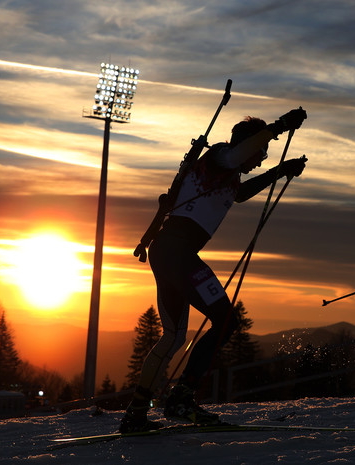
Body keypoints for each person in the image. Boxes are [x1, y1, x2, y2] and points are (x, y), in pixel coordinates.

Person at [120, 108, 308, 433]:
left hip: (167, 252)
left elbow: (242, 194)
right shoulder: (220, 157)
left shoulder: (224, 172)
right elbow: (238, 156)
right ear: (248, 146)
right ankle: (181, 398)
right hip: (178, 253)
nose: (259, 161)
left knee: (174, 337)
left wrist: (281, 170)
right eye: (260, 153)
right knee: (225, 321)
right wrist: (279, 127)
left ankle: (136, 413)